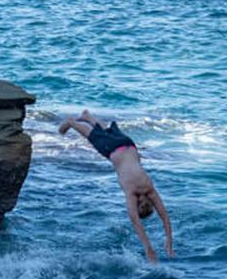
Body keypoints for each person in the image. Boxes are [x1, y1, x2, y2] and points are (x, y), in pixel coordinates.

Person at [58, 110, 175, 264]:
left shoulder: (150, 189)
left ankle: (89, 117)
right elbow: (135, 222)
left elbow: (165, 218)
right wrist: (148, 248)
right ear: (138, 205)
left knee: (107, 131)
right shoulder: (131, 193)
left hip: (128, 144)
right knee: (92, 136)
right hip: (113, 149)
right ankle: (72, 122)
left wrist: (169, 243)